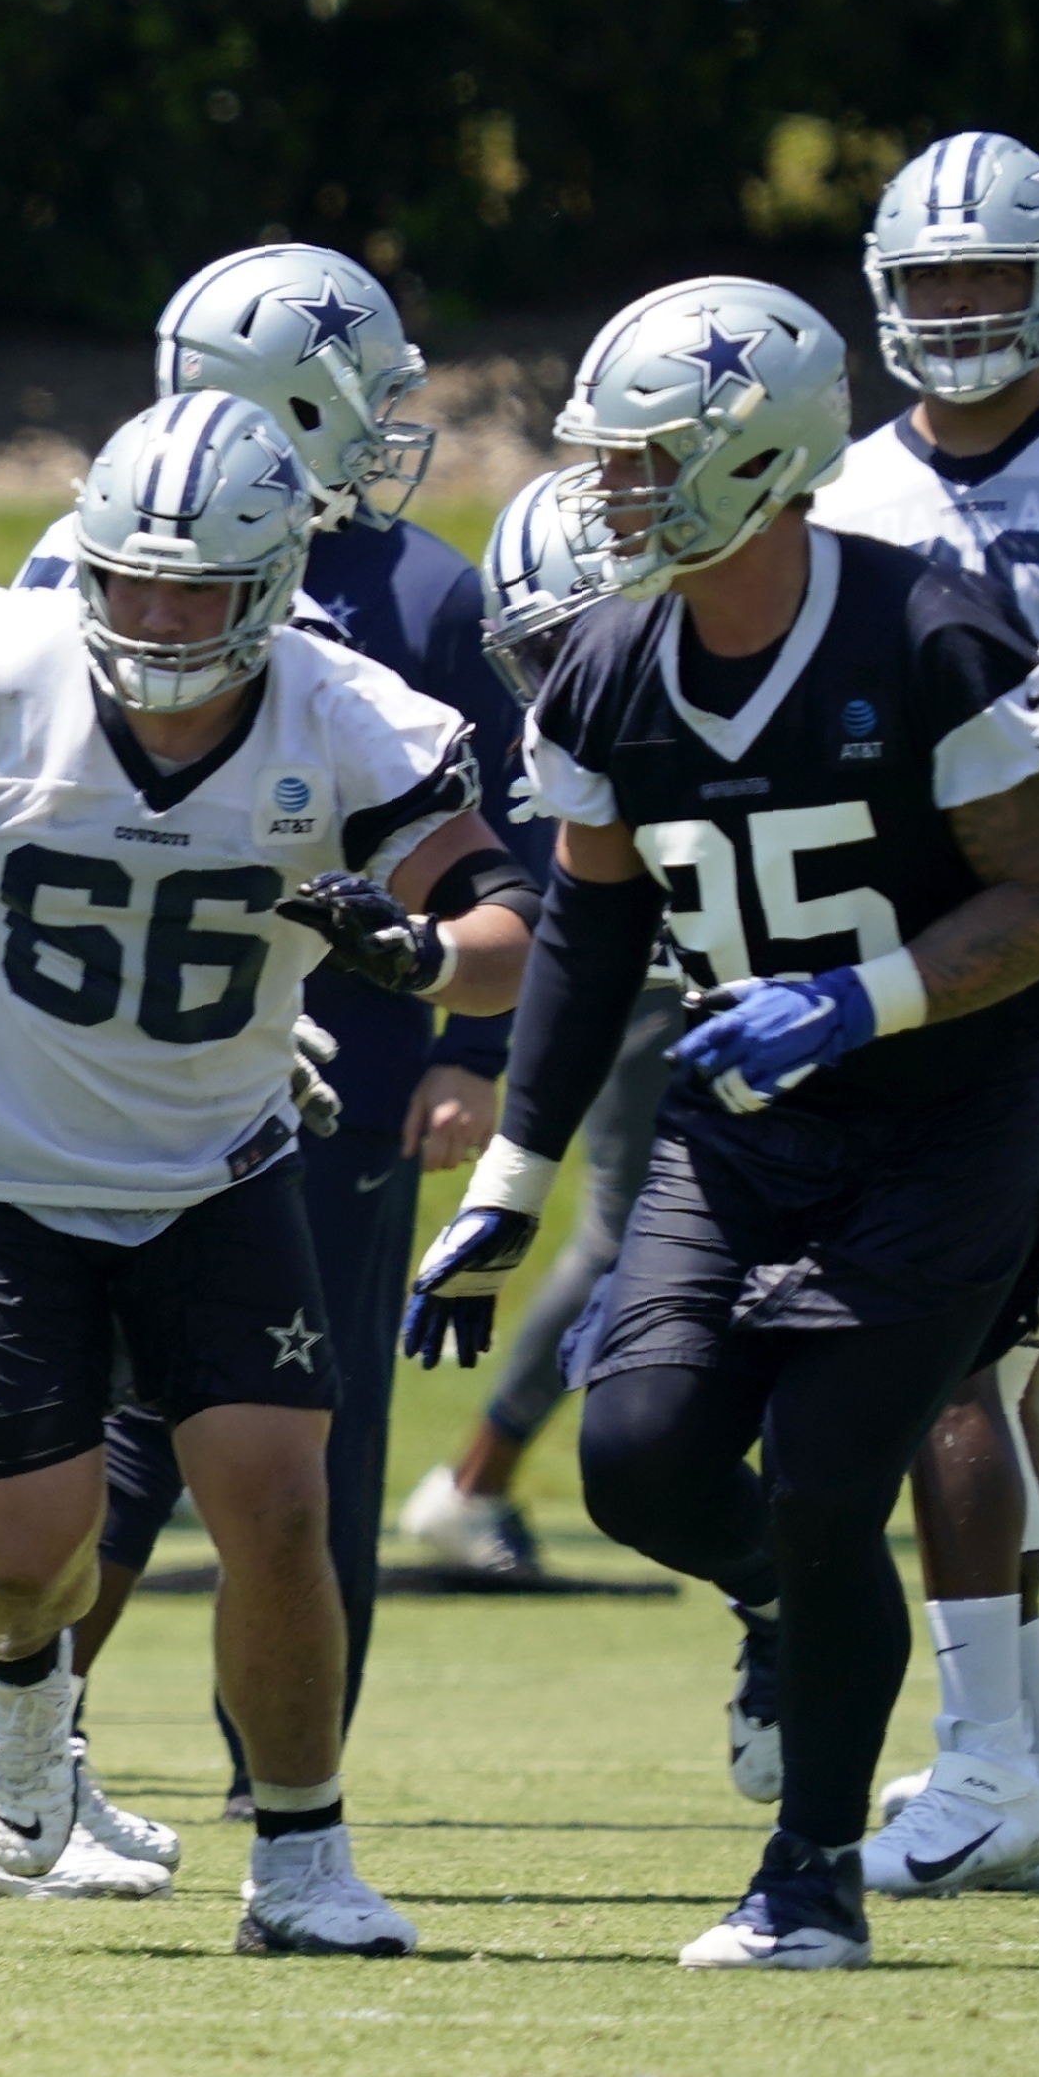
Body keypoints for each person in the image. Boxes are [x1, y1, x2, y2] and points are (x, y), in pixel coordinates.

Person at [0, 390, 529, 1951]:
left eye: (194, 586)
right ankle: (15, 1726)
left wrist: (419, 957)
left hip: (214, 1161)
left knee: (275, 1499)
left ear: (276, 579)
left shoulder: (345, 710)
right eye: (127, 577)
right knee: (30, 1542)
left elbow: (501, 926)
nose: (153, 616)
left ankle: (300, 1861)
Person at [407, 276, 1039, 1969]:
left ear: (759, 455)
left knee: (823, 1471)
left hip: (943, 1117)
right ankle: (793, 1610)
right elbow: (586, 929)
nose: (614, 495)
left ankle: (810, 1877)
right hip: (739, 1130)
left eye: (649, 463)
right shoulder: (604, 663)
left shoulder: (931, 631)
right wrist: (513, 1171)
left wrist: (858, 994)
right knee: (640, 1454)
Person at [4, 247, 528, 1808]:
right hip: (128, 1066)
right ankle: (24, 1739)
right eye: (356, 399)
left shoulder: (423, 589)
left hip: (350, 1077)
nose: (382, 429)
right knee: (102, 1437)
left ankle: (277, 1775)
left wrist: (471, 1053)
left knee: (312, 1447)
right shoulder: (74, 568)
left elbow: (505, 854)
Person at [796, 130, 1039, 1895]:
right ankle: (994, 1757)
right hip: (948, 972)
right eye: (931, 284)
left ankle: (1000, 1759)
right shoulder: (846, 490)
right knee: (956, 1360)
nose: (960, 314)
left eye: (992, 281)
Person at [395, 468, 675, 1585]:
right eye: (549, 654)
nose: (574, 685)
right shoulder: (546, 748)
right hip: (639, 985)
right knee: (623, 1232)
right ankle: (475, 1478)